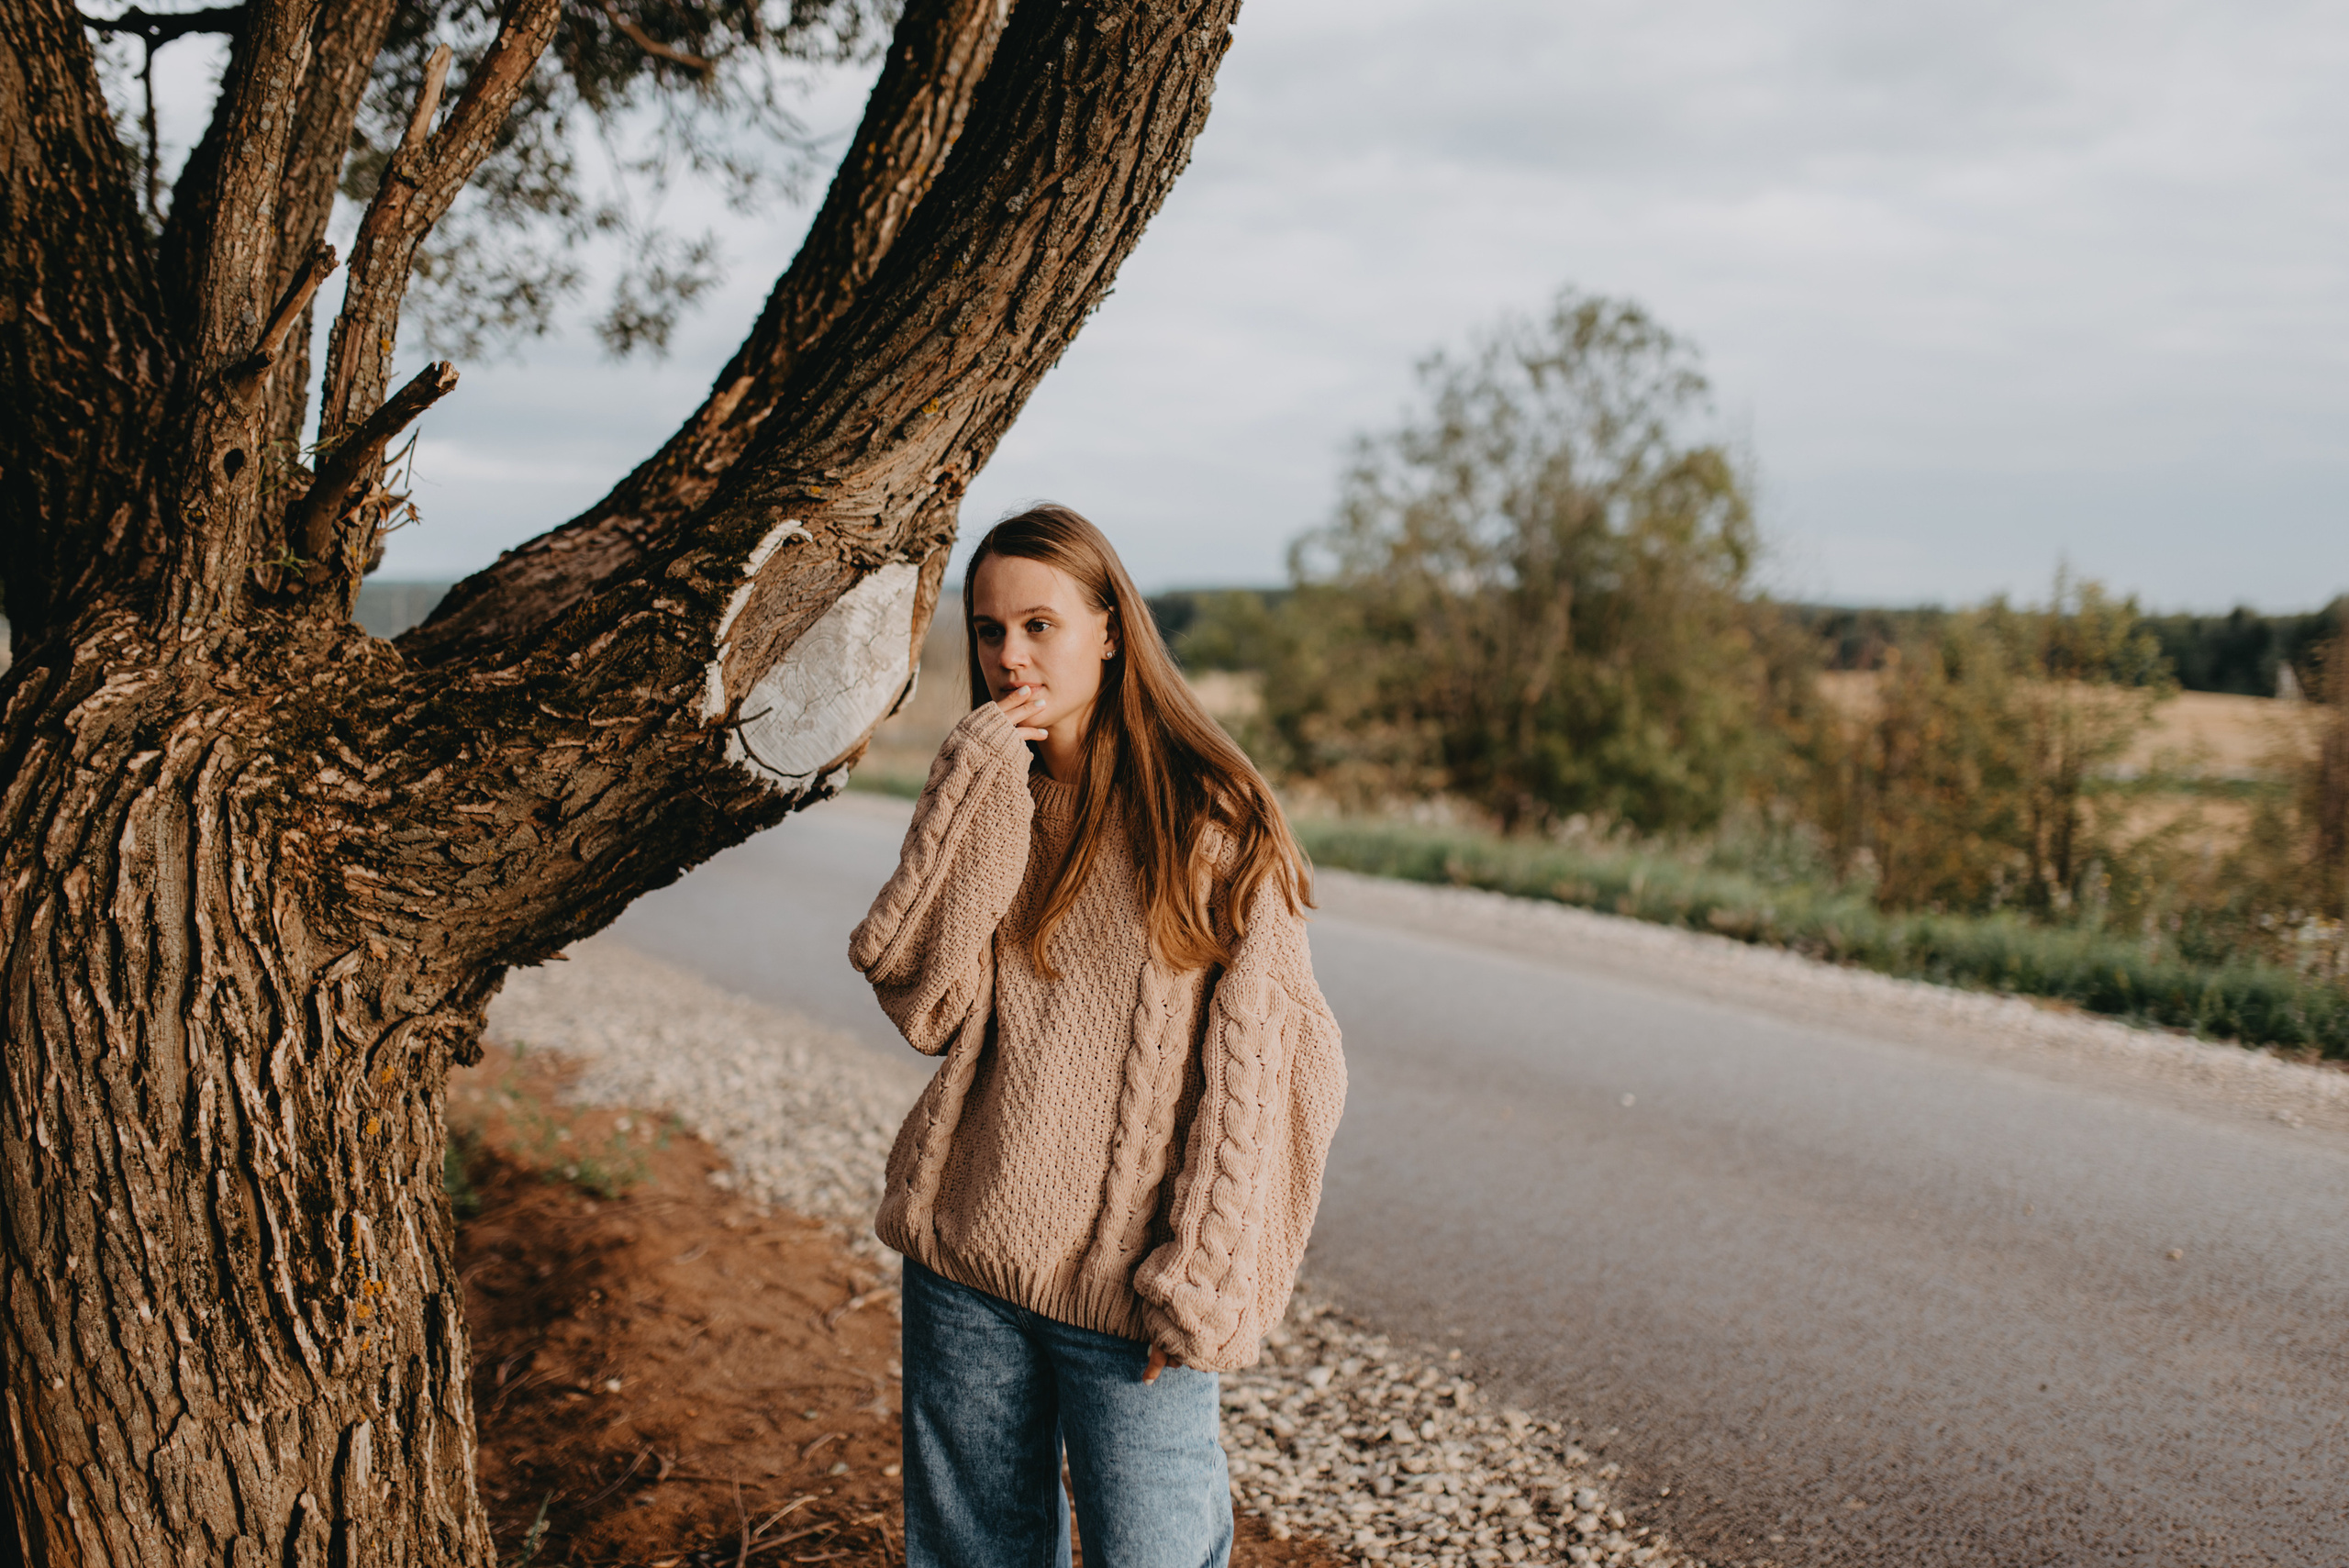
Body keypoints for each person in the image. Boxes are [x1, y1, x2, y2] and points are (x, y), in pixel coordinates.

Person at [848, 504, 1347, 1568]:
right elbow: (919, 996)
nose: (1010, 656)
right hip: (965, 1261)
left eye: (1040, 624)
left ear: (1111, 628)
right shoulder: (998, 789)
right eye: (988, 630)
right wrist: (970, 784)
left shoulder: (1211, 819)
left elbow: (1278, 1069)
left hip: (1127, 1296)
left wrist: (1204, 1283)